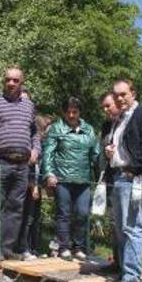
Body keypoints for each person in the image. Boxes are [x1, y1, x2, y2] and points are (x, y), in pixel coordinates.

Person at [102, 79, 142, 282]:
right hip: (118, 177)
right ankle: (122, 270)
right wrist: (110, 152)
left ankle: (132, 277)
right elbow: (121, 146)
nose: (119, 98)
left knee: (133, 227)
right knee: (119, 227)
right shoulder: (120, 119)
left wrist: (131, 169)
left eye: (123, 94)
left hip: (133, 178)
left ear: (133, 94)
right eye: (116, 95)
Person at [0, 65, 40, 260]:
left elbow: (35, 132)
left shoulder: (29, 105)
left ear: (22, 82)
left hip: (22, 166)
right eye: (8, 79)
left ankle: (6, 250)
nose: (11, 83)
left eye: (15, 80)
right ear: (3, 81)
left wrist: (36, 149)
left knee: (15, 209)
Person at [43, 97, 100, 260]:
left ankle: (79, 246)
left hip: (83, 180)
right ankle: (63, 246)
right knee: (64, 214)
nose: (71, 115)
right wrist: (49, 174)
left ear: (79, 112)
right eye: (68, 112)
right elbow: (48, 153)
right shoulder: (56, 128)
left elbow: (95, 154)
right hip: (62, 179)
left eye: (75, 112)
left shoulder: (89, 129)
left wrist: (101, 172)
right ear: (64, 112)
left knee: (82, 213)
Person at [17, 113, 52, 260]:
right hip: (28, 186)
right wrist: (34, 186)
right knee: (28, 218)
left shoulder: (42, 146)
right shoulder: (31, 145)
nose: (49, 133)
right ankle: (23, 248)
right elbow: (31, 168)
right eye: (47, 129)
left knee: (36, 218)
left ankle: (33, 248)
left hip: (36, 186)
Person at [99, 92, 121, 269]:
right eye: (103, 107)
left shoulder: (127, 122)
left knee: (126, 223)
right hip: (111, 177)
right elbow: (102, 151)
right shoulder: (106, 125)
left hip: (128, 177)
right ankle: (117, 260)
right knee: (113, 221)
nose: (106, 110)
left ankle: (127, 265)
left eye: (108, 106)